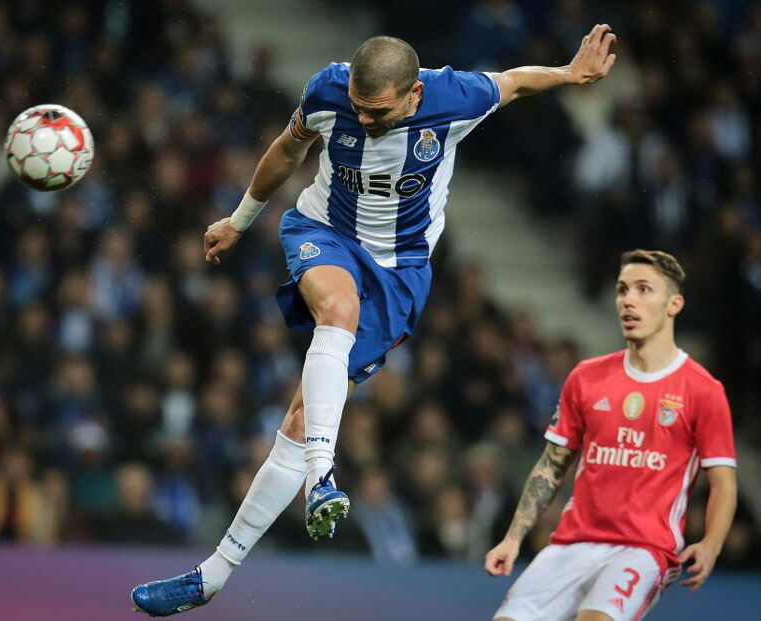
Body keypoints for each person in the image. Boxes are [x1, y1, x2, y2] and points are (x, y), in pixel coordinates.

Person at [132, 24, 618, 616]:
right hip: (324, 231)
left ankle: (210, 578)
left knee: (302, 416)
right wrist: (240, 218)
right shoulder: (327, 91)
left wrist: (570, 74)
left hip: (399, 268)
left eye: (378, 111)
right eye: (358, 109)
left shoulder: (453, 98)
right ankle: (322, 477)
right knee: (338, 308)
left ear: (413, 93)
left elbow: (514, 83)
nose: (363, 120)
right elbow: (289, 149)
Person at [485, 250, 737, 621]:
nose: (628, 300)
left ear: (674, 304)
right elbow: (551, 465)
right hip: (572, 542)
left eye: (643, 290)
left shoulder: (702, 390)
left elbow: (724, 482)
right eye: (622, 290)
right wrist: (513, 537)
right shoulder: (586, 378)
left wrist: (711, 545)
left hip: (644, 549)